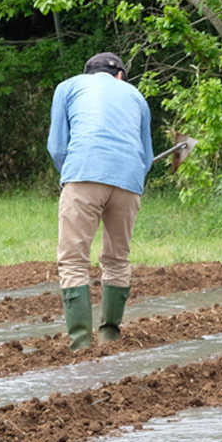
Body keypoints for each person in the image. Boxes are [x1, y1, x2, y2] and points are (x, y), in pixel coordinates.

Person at [47, 52, 154, 349]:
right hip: (129, 181)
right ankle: (110, 338)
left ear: (87, 73)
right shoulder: (136, 96)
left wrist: (70, 175)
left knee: (73, 260)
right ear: (120, 75)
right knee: (118, 259)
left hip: (83, 173)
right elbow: (146, 157)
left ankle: (81, 343)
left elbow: (57, 147)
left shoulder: (68, 87)